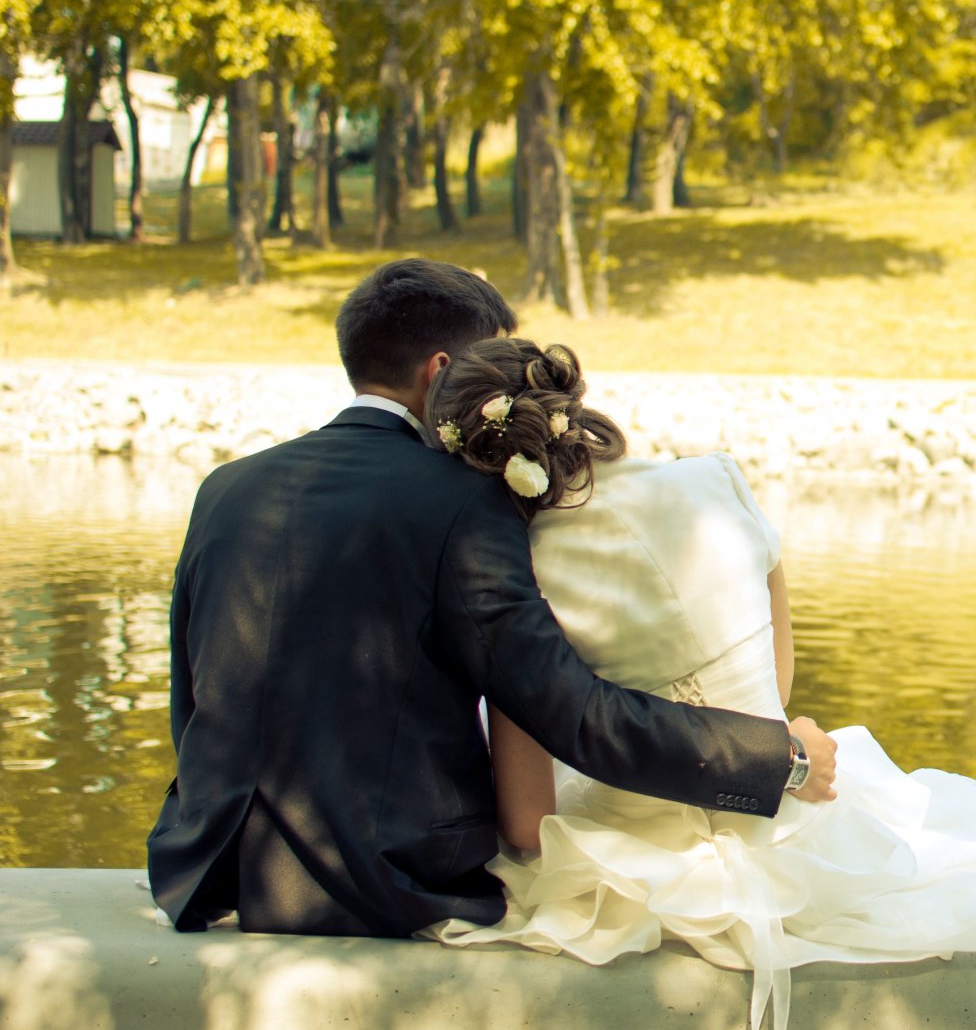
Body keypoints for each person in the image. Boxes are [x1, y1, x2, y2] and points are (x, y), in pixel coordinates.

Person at [420, 336, 976, 1030]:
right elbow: (774, 685)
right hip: (795, 799)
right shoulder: (713, 480)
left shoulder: (520, 575)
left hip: (645, 842)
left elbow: (526, 823)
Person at [148, 259, 838, 938]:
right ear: (441, 369)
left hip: (218, 866)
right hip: (388, 879)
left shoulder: (226, 488)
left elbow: (193, 693)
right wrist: (778, 760)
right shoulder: (462, 502)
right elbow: (573, 713)